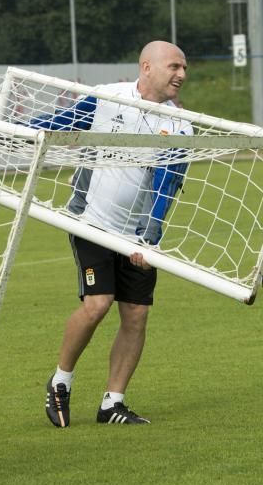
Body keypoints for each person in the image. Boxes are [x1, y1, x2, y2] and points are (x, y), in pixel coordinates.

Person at [35, 40, 192, 427]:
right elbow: (61, 121)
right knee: (98, 303)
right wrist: (10, 133)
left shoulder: (180, 125)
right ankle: (61, 381)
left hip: (137, 235)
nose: (182, 75)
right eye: (174, 67)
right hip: (91, 221)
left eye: (184, 68)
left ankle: (112, 403)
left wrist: (147, 239)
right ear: (146, 67)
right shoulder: (108, 99)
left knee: (136, 315)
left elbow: (166, 187)